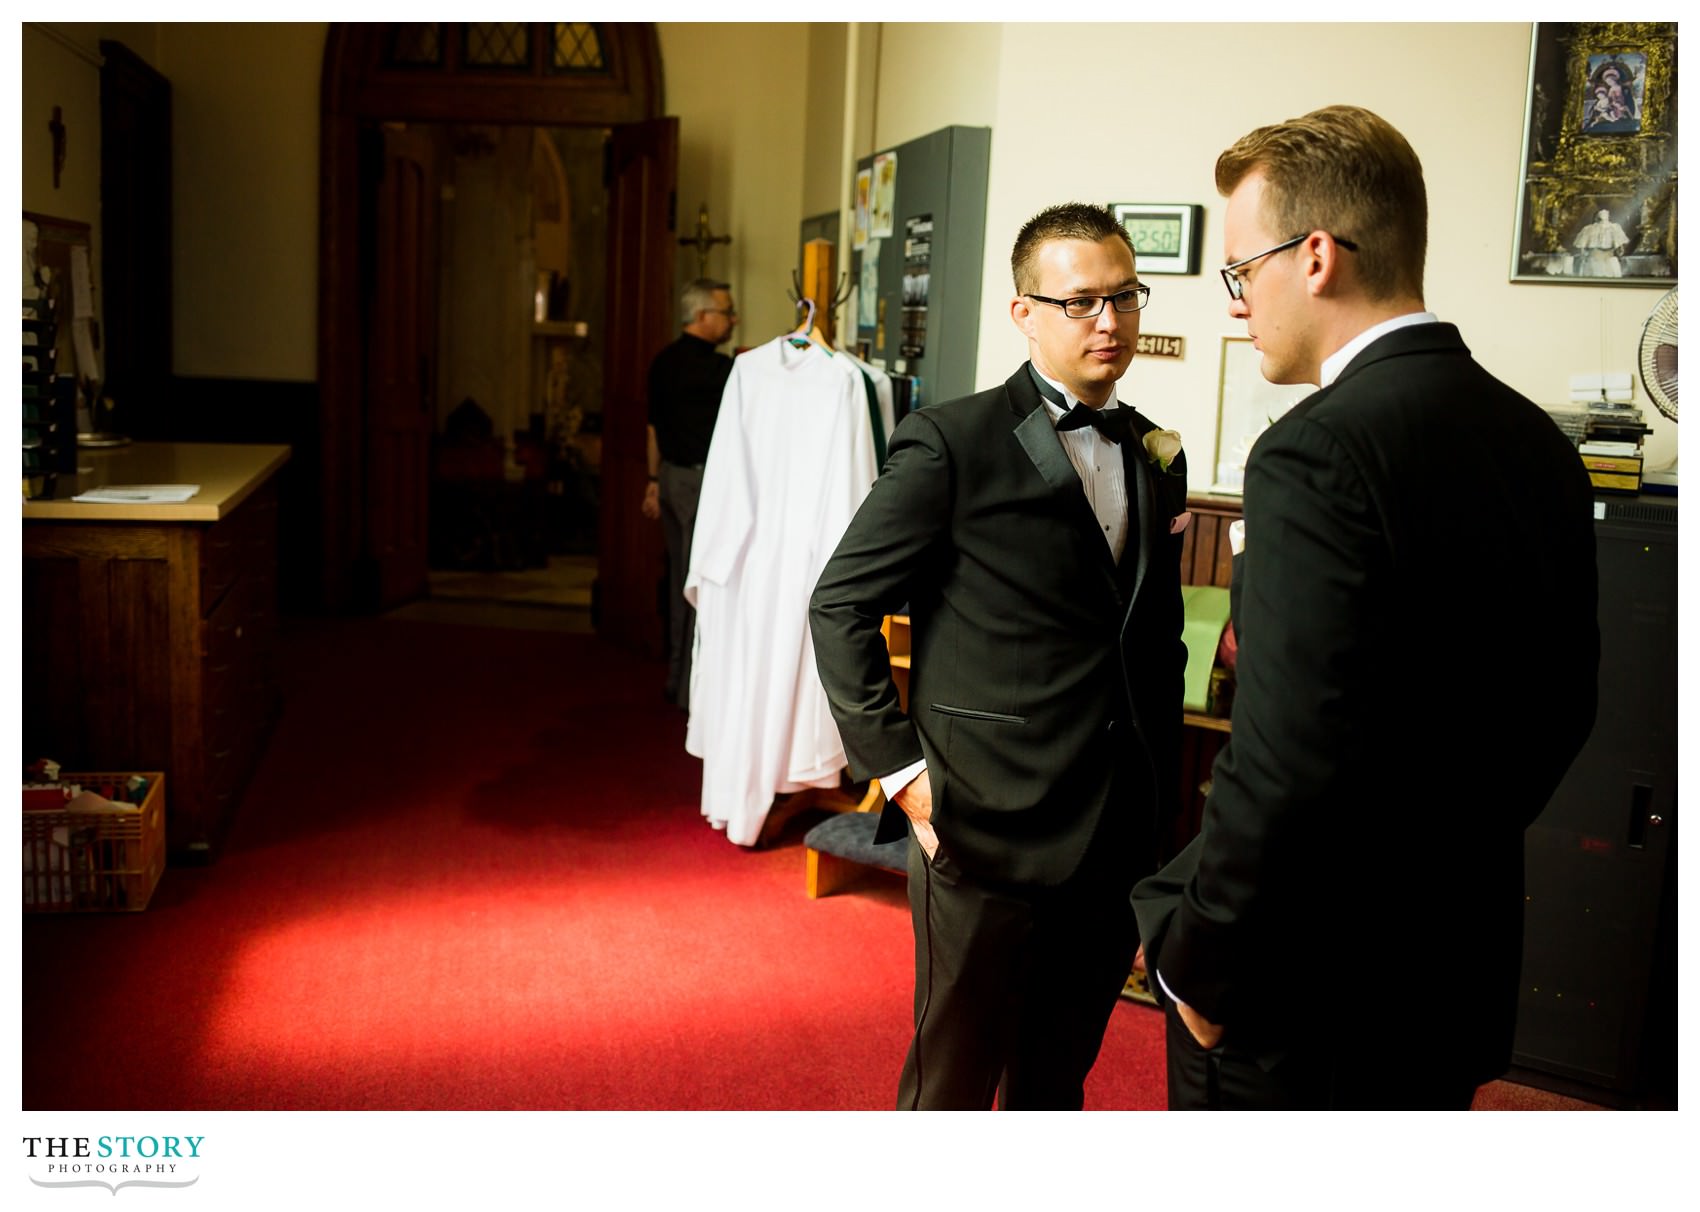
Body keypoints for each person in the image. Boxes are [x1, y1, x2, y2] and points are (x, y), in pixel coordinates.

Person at [1131, 105, 1599, 1110]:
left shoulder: (1315, 450)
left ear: (1312, 257)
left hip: (1298, 994)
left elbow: (1282, 757)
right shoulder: (1538, 445)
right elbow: (1560, 712)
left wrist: (1200, 966)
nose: (1232, 306)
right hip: (1445, 969)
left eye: (1236, 273)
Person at [810, 202, 1190, 1110]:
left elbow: (1151, 635)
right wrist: (902, 773)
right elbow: (840, 604)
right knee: (952, 1080)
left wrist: (1160, 800)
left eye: (1126, 297)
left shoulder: (1153, 449)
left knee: (1056, 1080)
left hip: (1113, 830)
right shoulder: (952, 442)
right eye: (1082, 302)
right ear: (1024, 312)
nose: (1110, 321)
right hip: (983, 821)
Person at [643, 278, 737, 708]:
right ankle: (689, 690)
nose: (733, 319)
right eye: (726, 312)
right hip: (701, 484)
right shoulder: (722, 372)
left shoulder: (661, 362)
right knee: (701, 582)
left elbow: (653, 429)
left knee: (680, 578)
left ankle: (675, 677)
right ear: (702, 316)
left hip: (668, 480)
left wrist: (653, 482)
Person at [1573, 207, 1630, 277]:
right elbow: (1620, 251)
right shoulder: (1614, 229)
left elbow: (1582, 251)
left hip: (1596, 263)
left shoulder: (1588, 229)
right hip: (1602, 264)